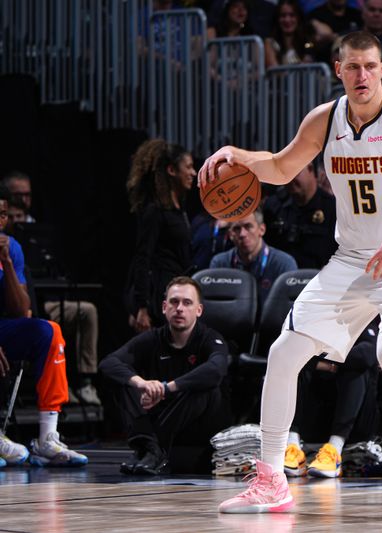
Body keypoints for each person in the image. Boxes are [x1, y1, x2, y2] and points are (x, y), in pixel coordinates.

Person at [200, 31, 382, 515]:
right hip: (354, 259)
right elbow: (283, 168)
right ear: (338, 70)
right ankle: (270, 481)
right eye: (353, 67)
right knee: (284, 352)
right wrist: (237, 155)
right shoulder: (325, 120)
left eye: (370, 66)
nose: (362, 76)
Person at [99, 277, 230, 475]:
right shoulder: (153, 338)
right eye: (174, 302)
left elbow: (216, 369)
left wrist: (166, 388)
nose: (179, 308)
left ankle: (150, 447)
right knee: (124, 380)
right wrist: (142, 383)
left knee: (207, 387)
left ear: (199, 310)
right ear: (163, 307)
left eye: (187, 303)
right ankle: (150, 448)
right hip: (156, 415)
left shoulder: (209, 338)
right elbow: (108, 364)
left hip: (190, 420)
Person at [0, 188, 88, 468]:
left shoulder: (11, 247)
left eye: (2, 215)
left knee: (49, 331)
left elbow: (19, 308)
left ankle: (47, 437)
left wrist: (7, 263)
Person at [284, 318, 379, 478]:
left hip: (356, 423)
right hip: (315, 417)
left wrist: (322, 359)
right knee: (294, 366)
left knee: (356, 372)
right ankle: (292, 447)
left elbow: (365, 355)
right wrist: (334, 361)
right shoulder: (314, 320)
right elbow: (289, 351)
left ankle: (335, 449)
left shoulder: (364, 321)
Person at [126, 139, 195, 332]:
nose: (193, 173)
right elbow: (143, 257)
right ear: (172, 170)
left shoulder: (179, 210)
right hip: (159, 299)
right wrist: (141, 307)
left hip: (176, 291)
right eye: (188, 167)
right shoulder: (155, 211)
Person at [209, 207, 297, 302]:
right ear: (230, 235)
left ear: (262, 229)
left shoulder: (283, 264)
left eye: (248, 226)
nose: (242, 234)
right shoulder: (220, 264)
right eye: (236, 229)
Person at [262, 162, 338, 269]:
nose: (289, 179)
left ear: (310, 169)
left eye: (294, 173)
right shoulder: (273, 206)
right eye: (285, 174)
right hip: (281, 279)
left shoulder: (333, 208)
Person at [265, 0, 315, 68]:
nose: (287, 20)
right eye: (283, 15)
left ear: (298, 18)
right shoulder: (270, 43)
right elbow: (275, 72)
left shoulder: (307, 42)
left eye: (292, 15)